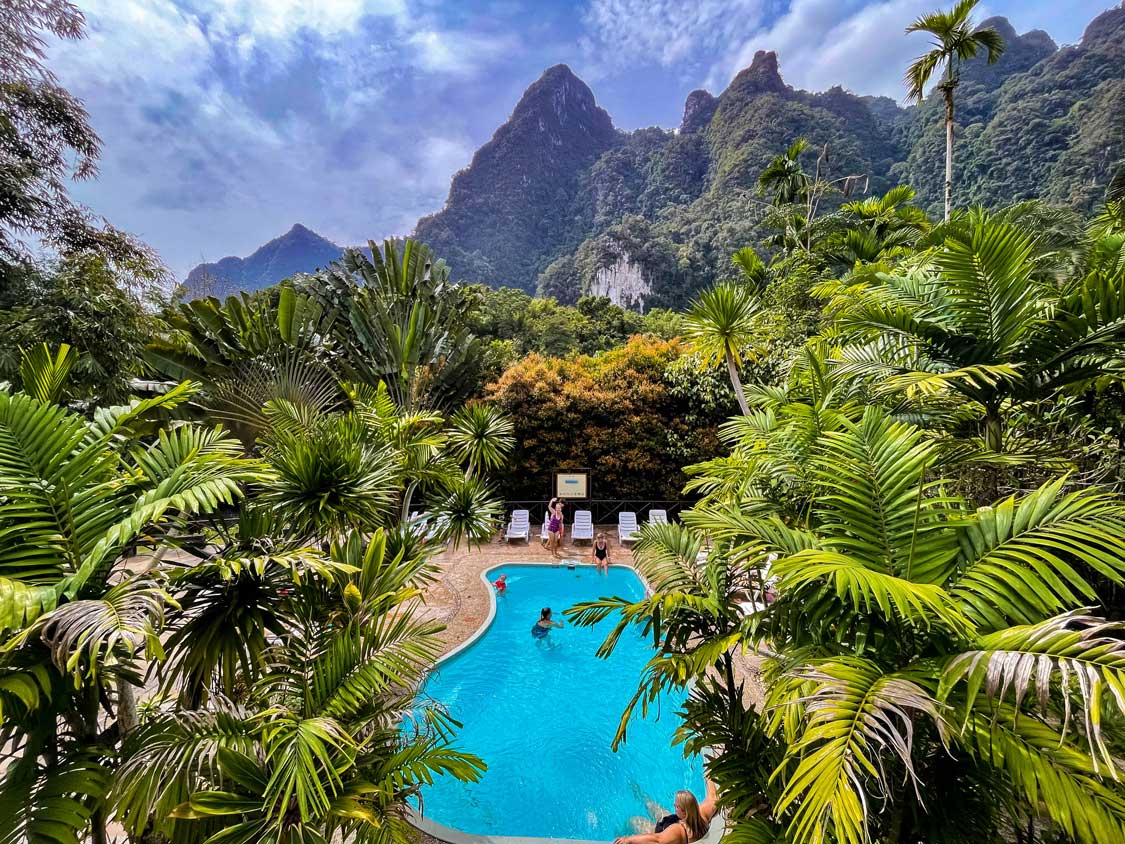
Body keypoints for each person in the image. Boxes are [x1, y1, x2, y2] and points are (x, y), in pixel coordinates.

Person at [615, 778, 718, 844]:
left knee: (633, 820)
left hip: (660, 830)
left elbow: (657, 839)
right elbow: (713, 797)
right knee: (651, 804)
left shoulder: (679, 831)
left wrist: (628, 840)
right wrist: (709, 778)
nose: (674, 805)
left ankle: (619, 831)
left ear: (684, 812)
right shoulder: (702, 815)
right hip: (672, 820)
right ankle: (640, 795)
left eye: (677, 806)